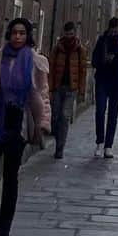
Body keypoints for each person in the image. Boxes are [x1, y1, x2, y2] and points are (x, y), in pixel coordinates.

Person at [0, 17, 51, 236]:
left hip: (18, 123)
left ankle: (4, 232)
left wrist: (42, 123)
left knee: (10, 179)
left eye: (22, 33)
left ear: (28, 37)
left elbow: (42, 95)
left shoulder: (36, 62)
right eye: (14, 33)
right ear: (9, 34)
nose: (17, 37)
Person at [91, 16, 118, 157]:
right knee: (100, 110)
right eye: (112, 31)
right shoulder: (102, 40)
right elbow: (94, 60)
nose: (114, 34)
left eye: (116, 31)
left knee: (113, 114)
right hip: (103, 80)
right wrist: (104, 60)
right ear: (109, 29)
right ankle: (99, 142)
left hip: (117, 81)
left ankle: (108, 146)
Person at [48, 21, 86, 160]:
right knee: (56, 116)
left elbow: (82, 70)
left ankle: (60, 148)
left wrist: (81, 90)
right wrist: (50, 88)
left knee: (64, 116)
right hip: (58, 87)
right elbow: (51, 68)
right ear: (63, 33)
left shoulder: (79, 49)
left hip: (71, 88)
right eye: (67, 34)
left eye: (71, 34)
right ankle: (58, 140)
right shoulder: (57, 48)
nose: (69, 36)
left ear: (74, 33)